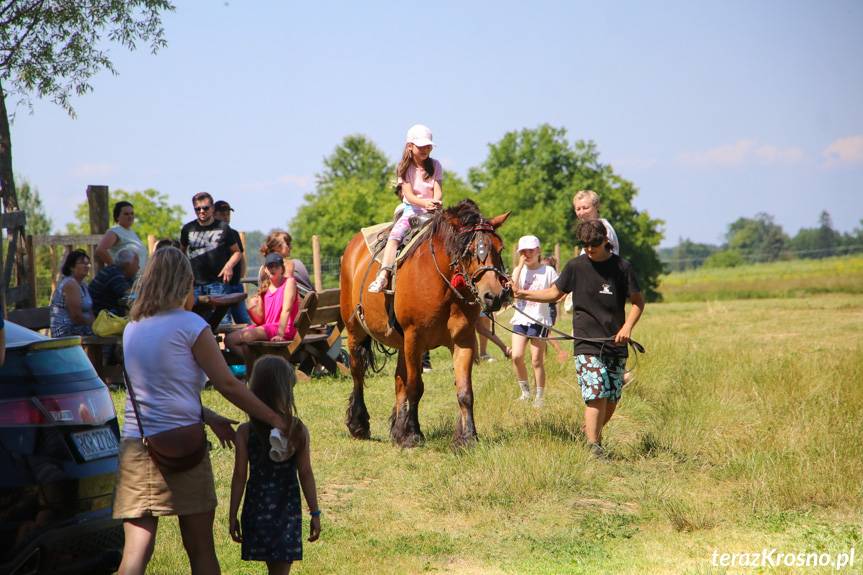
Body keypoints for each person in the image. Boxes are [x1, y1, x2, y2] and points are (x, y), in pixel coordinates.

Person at [113, 246, 291, 575]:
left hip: (137, 445)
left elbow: (159, 390)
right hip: (184, 448)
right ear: (184, 283)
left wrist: (210, 416)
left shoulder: (132, 328)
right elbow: (228, 384)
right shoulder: (192, 325)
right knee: (200, 549)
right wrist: (274, 417)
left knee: (135, 552)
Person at [513, 220, 644, 458]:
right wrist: (524, 293)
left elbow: (638, 302)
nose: (590, 249)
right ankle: (594, 448)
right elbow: (555, 293)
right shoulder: (575, 266)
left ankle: (589, 432)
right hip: (586, 342)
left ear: (606, 240)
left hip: (616, 342)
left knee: (611, 399)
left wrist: (627, 327)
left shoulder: (622, 267)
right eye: (585, 244)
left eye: (594, 243)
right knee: (596, 393)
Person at [229, 356, 321, 574]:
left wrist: (232, 514)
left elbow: (239, 475)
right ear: (286, 391)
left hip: (256, 510)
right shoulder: (296, 430)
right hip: (286, 512)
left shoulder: (245, 432)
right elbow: (305, 473)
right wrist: (315, 512)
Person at [369, 124, 442, 293]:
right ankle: (383, 275)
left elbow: (437, 190)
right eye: (421, 146)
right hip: (413, 212)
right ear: (410, 146)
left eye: (428, 146)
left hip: (433, 212)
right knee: (394, 237)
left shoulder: (436, 165)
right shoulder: (404, 168)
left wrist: (436, 202)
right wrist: (425, 204)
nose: (425, 149)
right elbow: (408, 195)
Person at [509, 236, 558, 407]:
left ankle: (540, 396)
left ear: (538, 250)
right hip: (520, 317)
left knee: (537, 359)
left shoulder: (548, 271)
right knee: (516, 356)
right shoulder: (519, 269)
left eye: (531, 250)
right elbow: (512, 288)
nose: (527, 254)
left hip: (539, 319)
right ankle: (525, 392)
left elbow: (557, 291)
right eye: (523, 251)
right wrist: (520, 265)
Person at [227, 253, 299, 365]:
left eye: (276, 266)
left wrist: (280, 334)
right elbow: (261, 320)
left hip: (283, 328)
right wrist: (250, 308)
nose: (273, 269)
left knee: (242, 339)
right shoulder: (265, 287)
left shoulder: (289, 282)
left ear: (282, 269)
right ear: (265, 269)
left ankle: (260, 366)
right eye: (270, 266)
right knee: (229, 340)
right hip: (267, 328)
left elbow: (287, 310)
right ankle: (258, 365)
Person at [180, 192, 243, 304]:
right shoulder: (187, 229)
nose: (201, 211)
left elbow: (237, 252)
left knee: (222, 320)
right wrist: (187, 273)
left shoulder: (223, 227)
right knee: (198, 319)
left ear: (212, 208)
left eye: (205, 208)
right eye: (197, 209)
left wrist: (229, 266)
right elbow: (181, 253)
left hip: (218, 283)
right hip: (195, 285)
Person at [213, 200, 251, 324]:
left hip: (235, 284)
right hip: (220, 286)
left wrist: (240, 276)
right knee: (224, 321)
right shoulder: (212, 235)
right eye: (222, 213)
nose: (226, 216)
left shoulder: (233, 233)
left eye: (228, 214)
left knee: (243, 320)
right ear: (214, 214)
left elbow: (241, 256)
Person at [50, 250, 95, 337]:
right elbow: (76, 317)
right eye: (82, 263)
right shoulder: (70, 284)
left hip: (80, 329)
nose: (87, 266)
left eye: (88, 263)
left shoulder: (83, 285)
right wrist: (94, 324)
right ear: (71, 267)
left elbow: (90, 311)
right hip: (66, 332)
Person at [95, 201, 148, 271]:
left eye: (132, 213)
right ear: (117, 217)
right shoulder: (115, 231)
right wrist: (116, 269)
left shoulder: (132, 232)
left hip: (139, 278)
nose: (130, 216)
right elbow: (100, 250)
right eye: (126, 214)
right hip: (125, 279)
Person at [90, 248, 139, 317]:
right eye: (137, 264)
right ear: (128, 265)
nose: (138, 267)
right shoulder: (114, 274)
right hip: (100, 319)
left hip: (105, 315)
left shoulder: (123, 274)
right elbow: (130, 297)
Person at [572, 190, 620, 255]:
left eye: (585, 208)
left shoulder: (603, 229)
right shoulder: (589, 229)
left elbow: (606, 259)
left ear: (596, 206)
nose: (581, 213)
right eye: (578, 209)